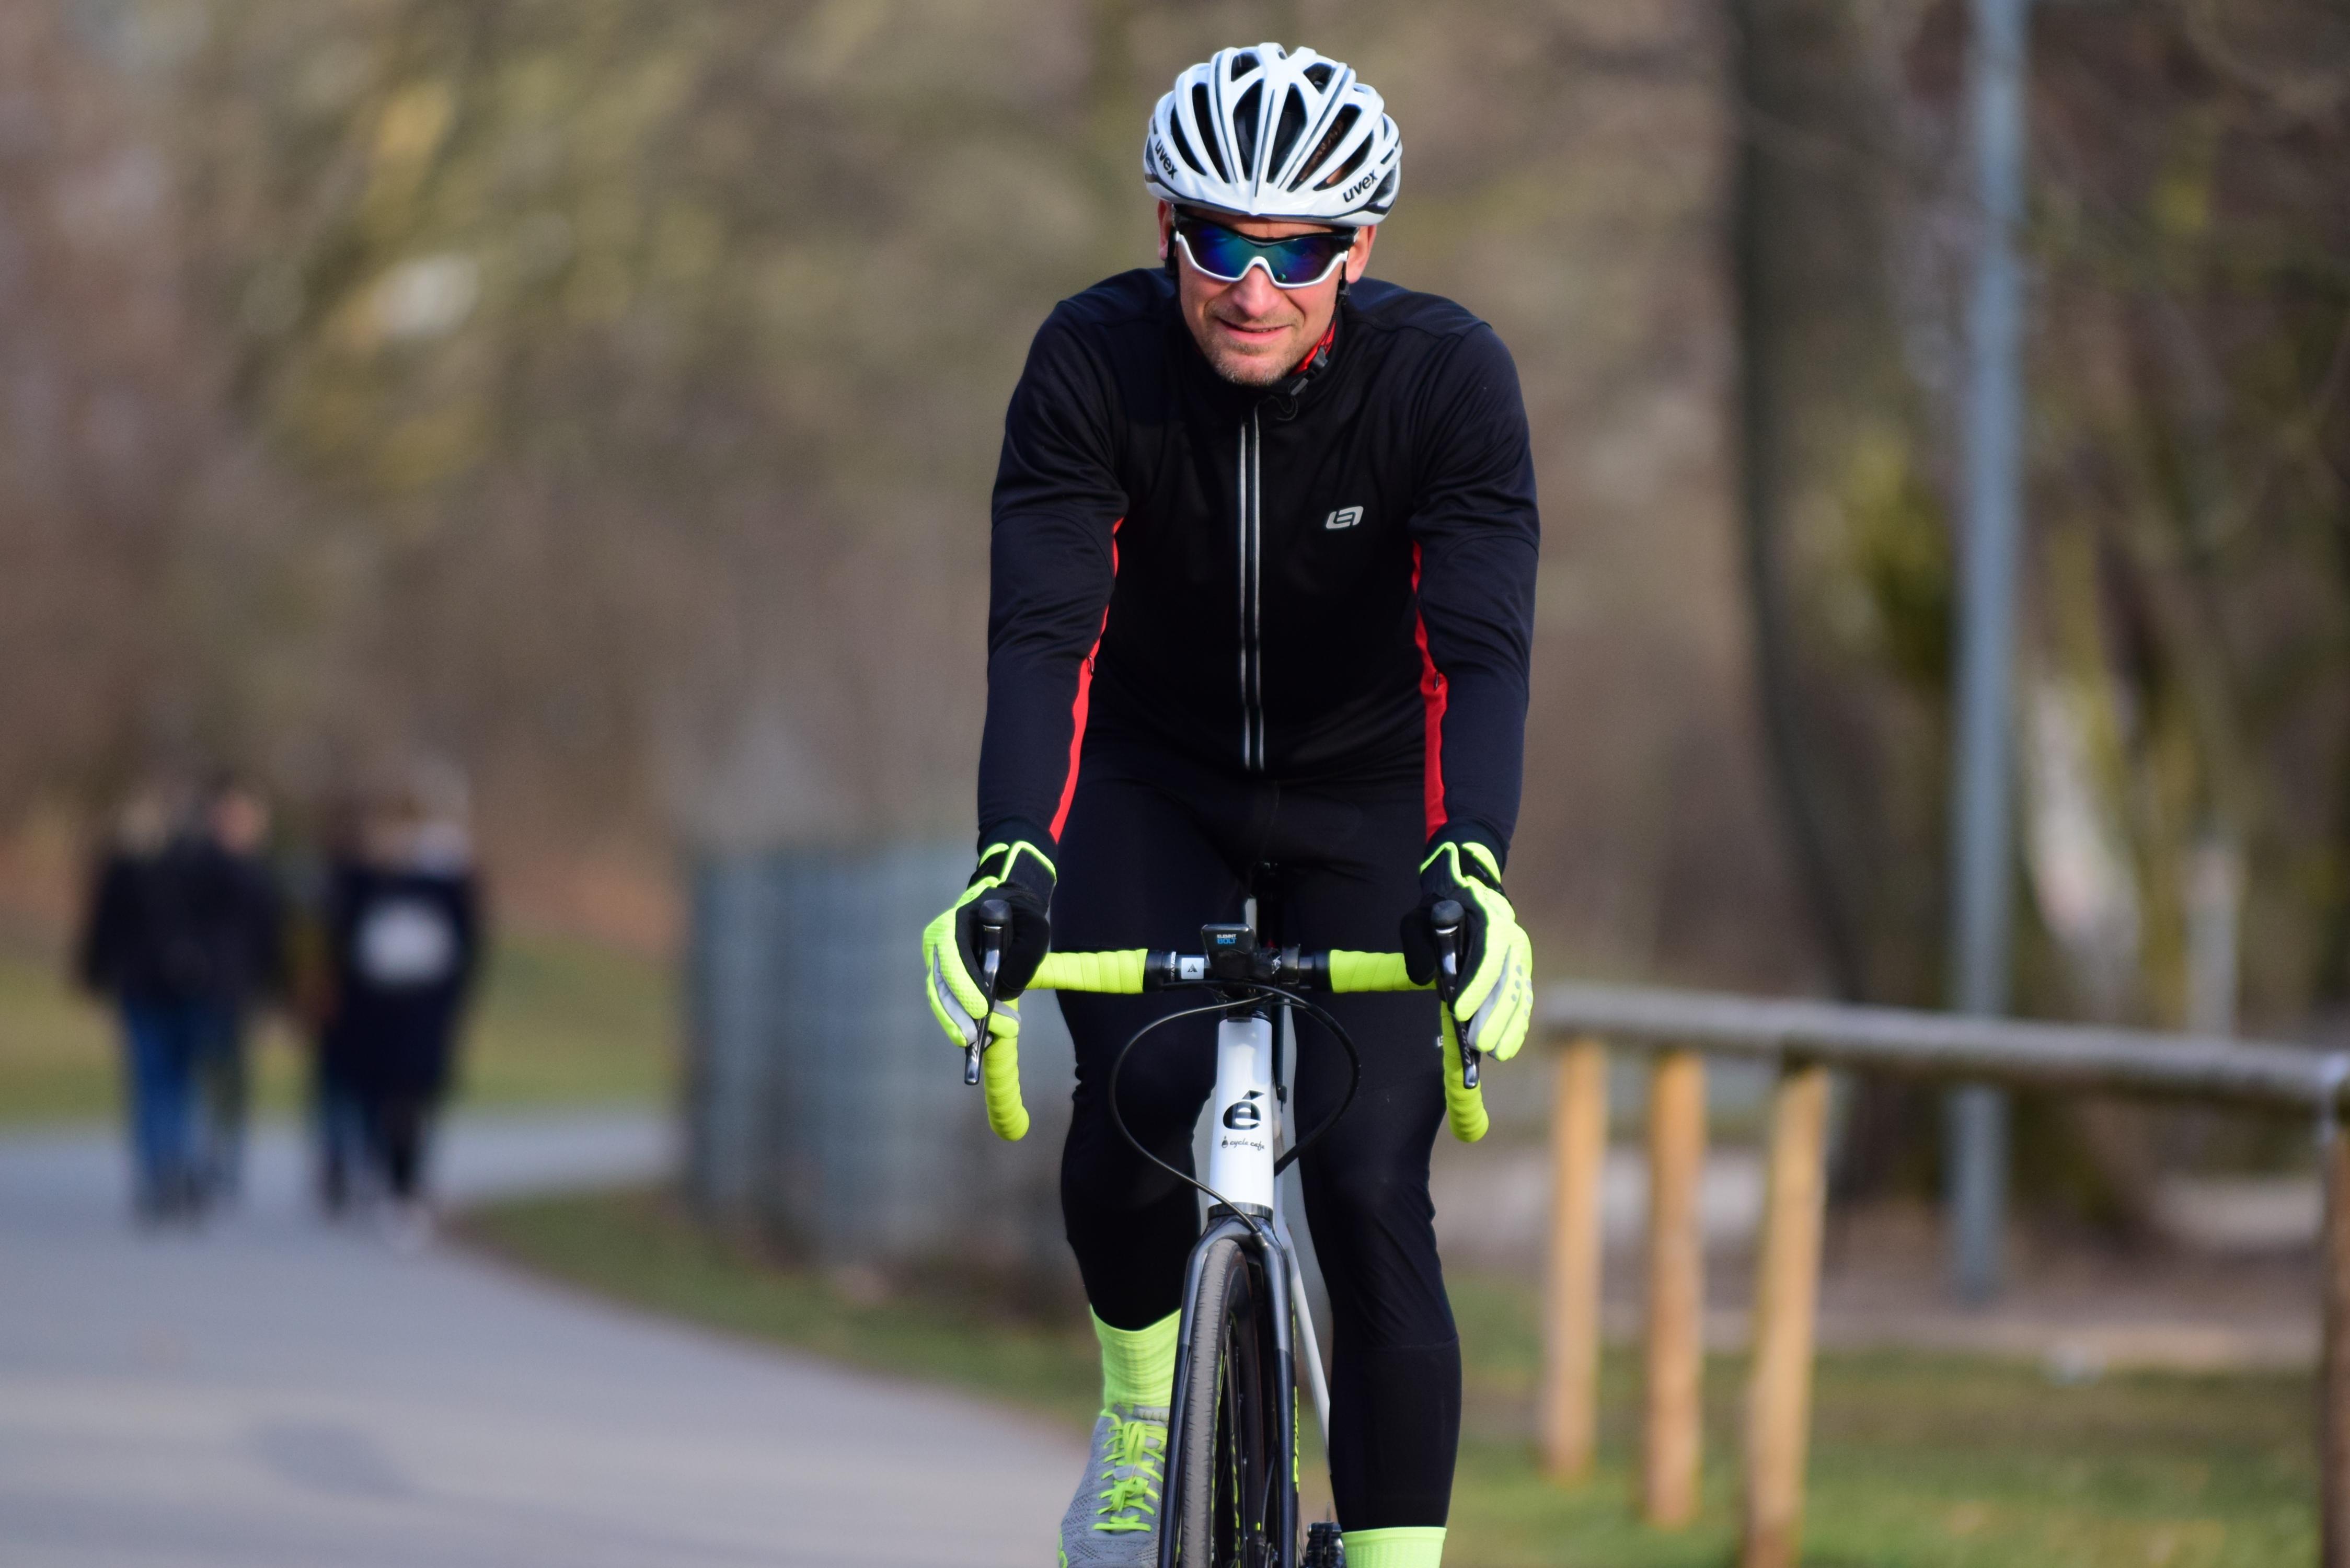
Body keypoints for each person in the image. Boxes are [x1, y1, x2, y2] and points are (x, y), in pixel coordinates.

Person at [920, 44, 1537, 1568]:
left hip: (1366, 789)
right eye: (1218, 236)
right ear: (1163, 229)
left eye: (1300, 246)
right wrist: (1010, 863)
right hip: (1153, 775)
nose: (1253, 283)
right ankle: (1140, 1420)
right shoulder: (1090, 363)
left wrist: (1471, 868)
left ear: (1360, 249)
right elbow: (1042, 636)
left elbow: (1475, 651)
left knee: (1374, 1181)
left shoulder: (1446, 381)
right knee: (1135, 1099)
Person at [321, 771, 483, 1245]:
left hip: (422, 1013)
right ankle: (379, 1177)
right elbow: (339, 936)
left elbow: (468, 942)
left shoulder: (447, 876)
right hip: (369, 1012)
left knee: (411, 1102)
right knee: (374, 1100)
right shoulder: (360, 873)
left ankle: (405, 1188)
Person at [188, 777, 285, 1204]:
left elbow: (272, 941)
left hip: (241, 993)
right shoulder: (198, 867)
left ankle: (225, 1164)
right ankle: (198, 1162)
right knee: (200, 1078)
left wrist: (274, 995)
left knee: (232, 1081)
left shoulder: (260, 874)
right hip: (198, 989)